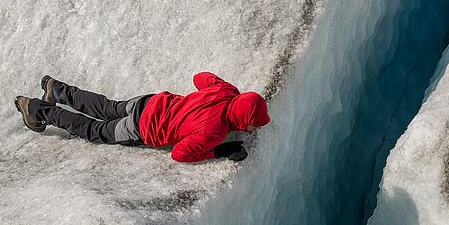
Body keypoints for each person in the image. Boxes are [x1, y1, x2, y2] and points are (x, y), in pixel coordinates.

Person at [14, 72, 270, 162]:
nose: (252, 128)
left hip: (149, 102)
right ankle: (36, 110)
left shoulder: (228, 91)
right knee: (95, 130)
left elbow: (199, 77)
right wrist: (221, 151)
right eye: (252, 124)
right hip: (141, 127)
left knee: (105, 106)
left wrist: (221, 89)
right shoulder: (214, 132)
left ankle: (57, 89)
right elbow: (180, 153)